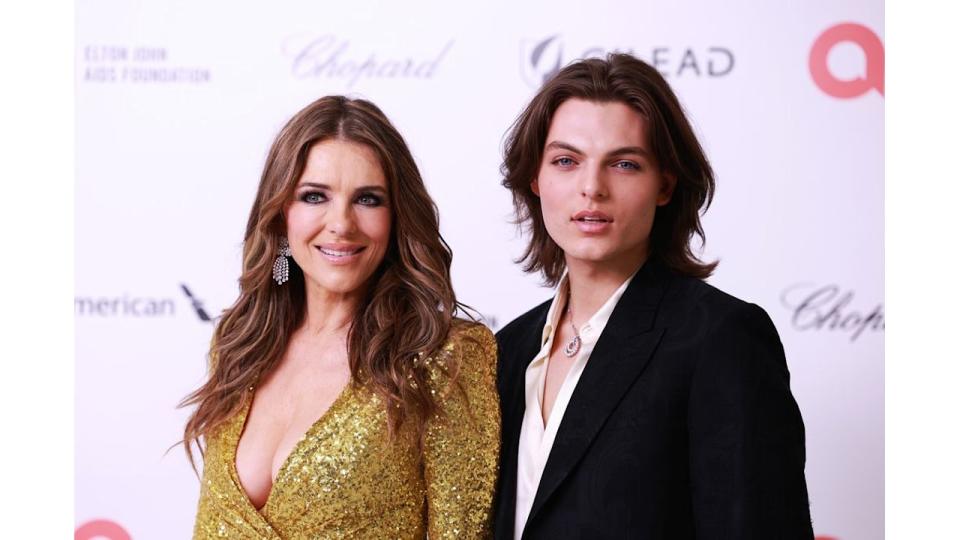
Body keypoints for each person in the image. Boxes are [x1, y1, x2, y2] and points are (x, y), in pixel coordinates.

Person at [493, 54, 813, 539]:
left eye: (624, 164)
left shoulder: (721, 340)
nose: (591, 188)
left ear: (664, 184)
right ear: (535, 180)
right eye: (566, 161)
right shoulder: (507, 349)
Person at [181, 95, 500, 539]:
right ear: (281, 216)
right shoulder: (239, 345)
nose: (341, 223)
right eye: (315, 196)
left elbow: (461, 532)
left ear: (396, 221)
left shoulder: (441, 357)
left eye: (367, 199)